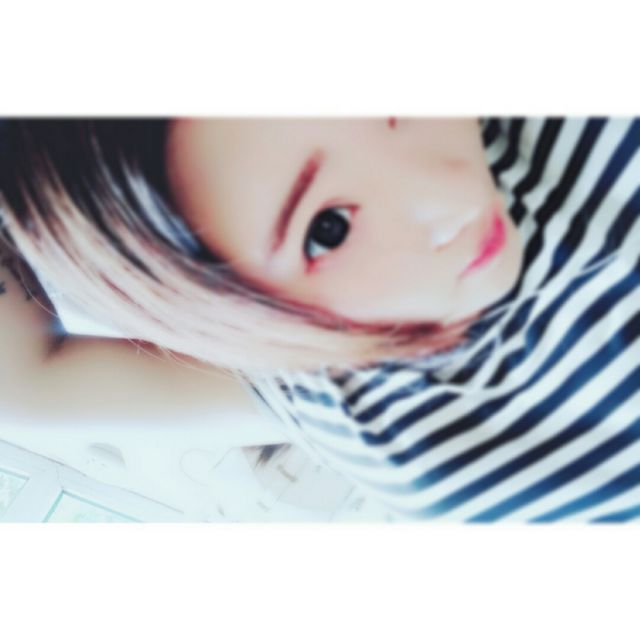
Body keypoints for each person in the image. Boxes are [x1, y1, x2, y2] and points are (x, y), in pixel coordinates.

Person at [1, 116, 639, 522]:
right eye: (328, 228)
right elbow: (25, 385)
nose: (443, 193)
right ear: (239, 311)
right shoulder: (347, 392)